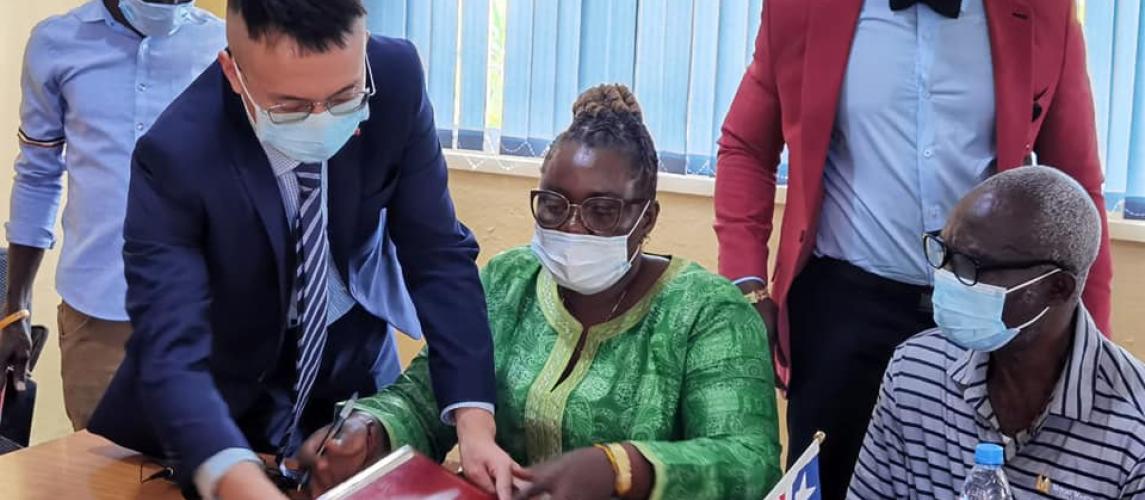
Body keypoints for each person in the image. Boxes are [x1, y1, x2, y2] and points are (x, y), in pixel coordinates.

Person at [86, 1, 503, 499]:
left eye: (346, 95)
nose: (322, 119)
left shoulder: (396, 77)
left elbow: (436, 254)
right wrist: (232, 474)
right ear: (233, 72)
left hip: (350, 360)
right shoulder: (178, 155)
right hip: (224, 396)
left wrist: (474, 422)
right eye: (290, 106)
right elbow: (170, 343)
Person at [297, 84, 783, 500]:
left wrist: (620, 468)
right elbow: (429, 395)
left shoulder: (707, 314)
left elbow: (748, 461)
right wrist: (371, 430)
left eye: (602, 211)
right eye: (553, 206)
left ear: (646, 218)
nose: (573, 227)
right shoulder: (509, 282)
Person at [713, 0, 1113, 495]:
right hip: (843, 316)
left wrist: (1091, 340)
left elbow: (1077, 192)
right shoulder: (801, 10)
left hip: (989, 316)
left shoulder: (1044, 15)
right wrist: (745, 286)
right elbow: (746, 148)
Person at [848, 166, 1145, 499]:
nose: (944, 278)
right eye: (944, 254)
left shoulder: (1134, 428)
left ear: (1056, 288)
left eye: (970, 266)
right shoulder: (915, 372)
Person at [0, 0, 224, 431]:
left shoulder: (224, 45)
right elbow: (37, 176)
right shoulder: (57, 44)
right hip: (97, 314)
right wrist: (17, 308)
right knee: (99, 476)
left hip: (205, 313)